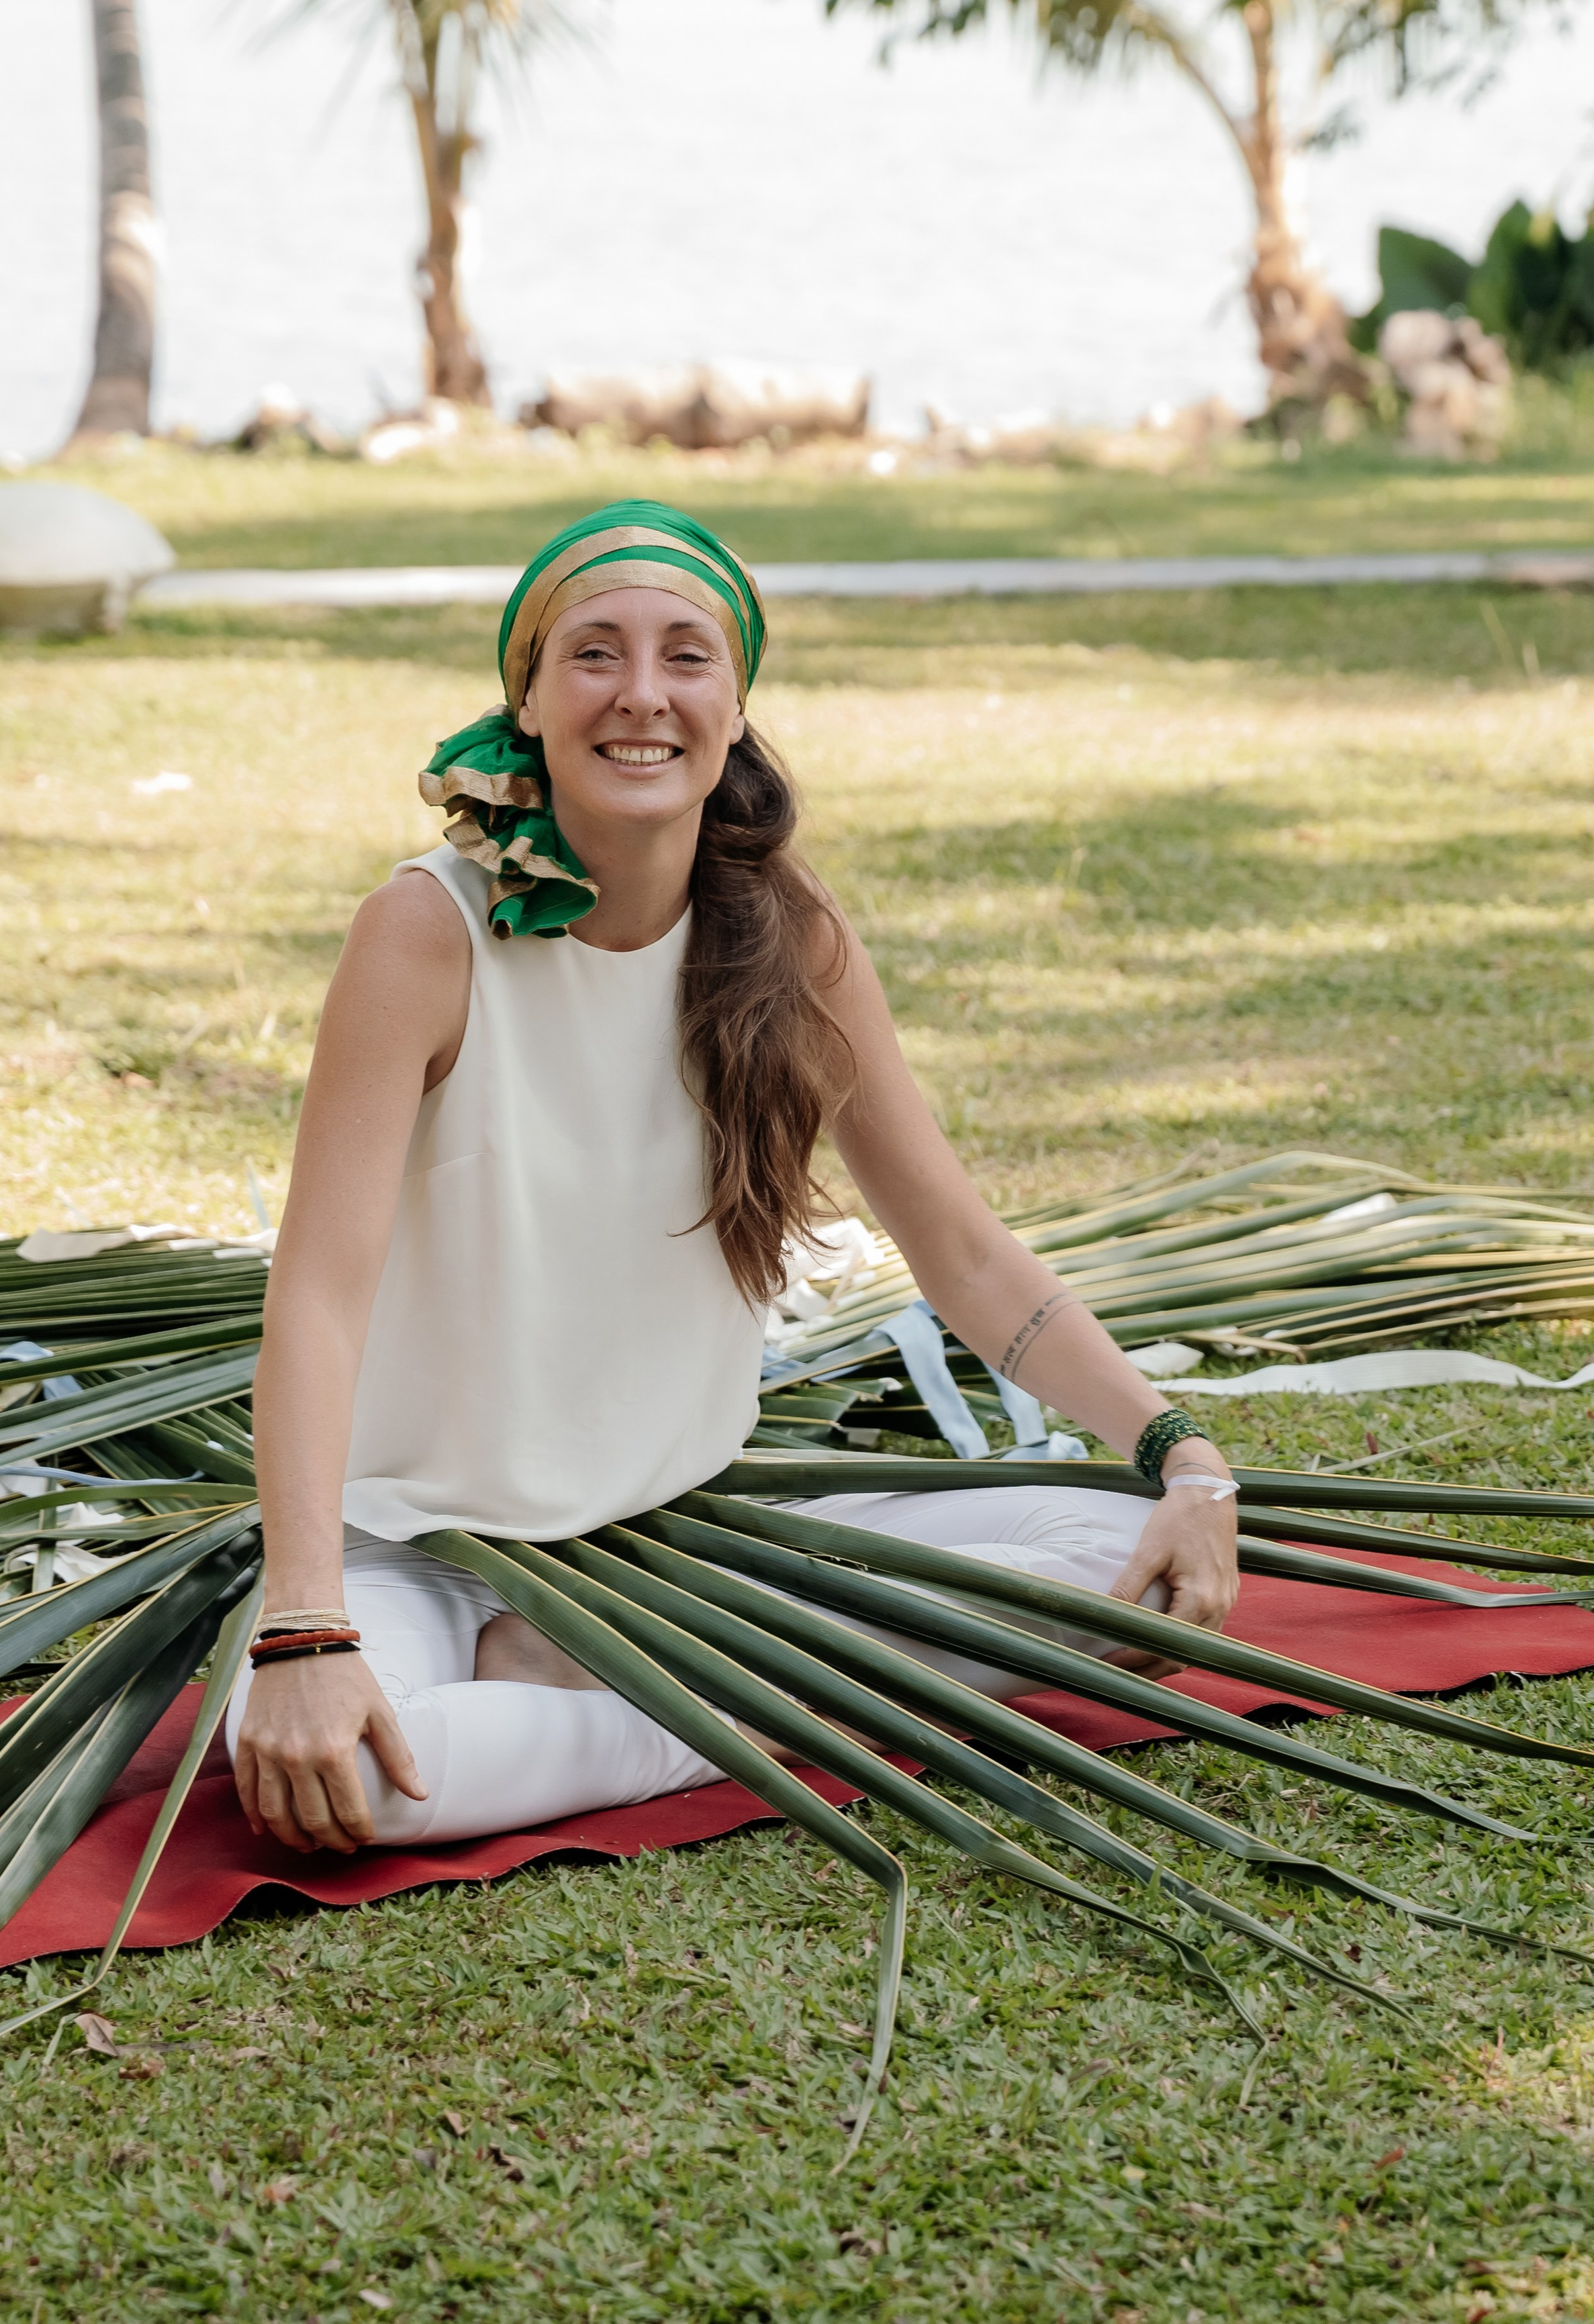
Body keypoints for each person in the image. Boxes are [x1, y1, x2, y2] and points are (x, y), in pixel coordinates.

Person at [232, 502, 1240, 1856]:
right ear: (526, 698)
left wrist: (1181, 1460)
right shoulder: (424, 932)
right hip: (410, 1544)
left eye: (684, 655)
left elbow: (956, 1249)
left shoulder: (791, 940)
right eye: (593, 653)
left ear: (734, 700)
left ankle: (622, 1689)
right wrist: (305, 1621)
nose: (640, 694)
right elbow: (317, 1300)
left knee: (1125, 1569)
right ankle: (760, 1708)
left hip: (678, 1534)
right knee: (338, 1781)